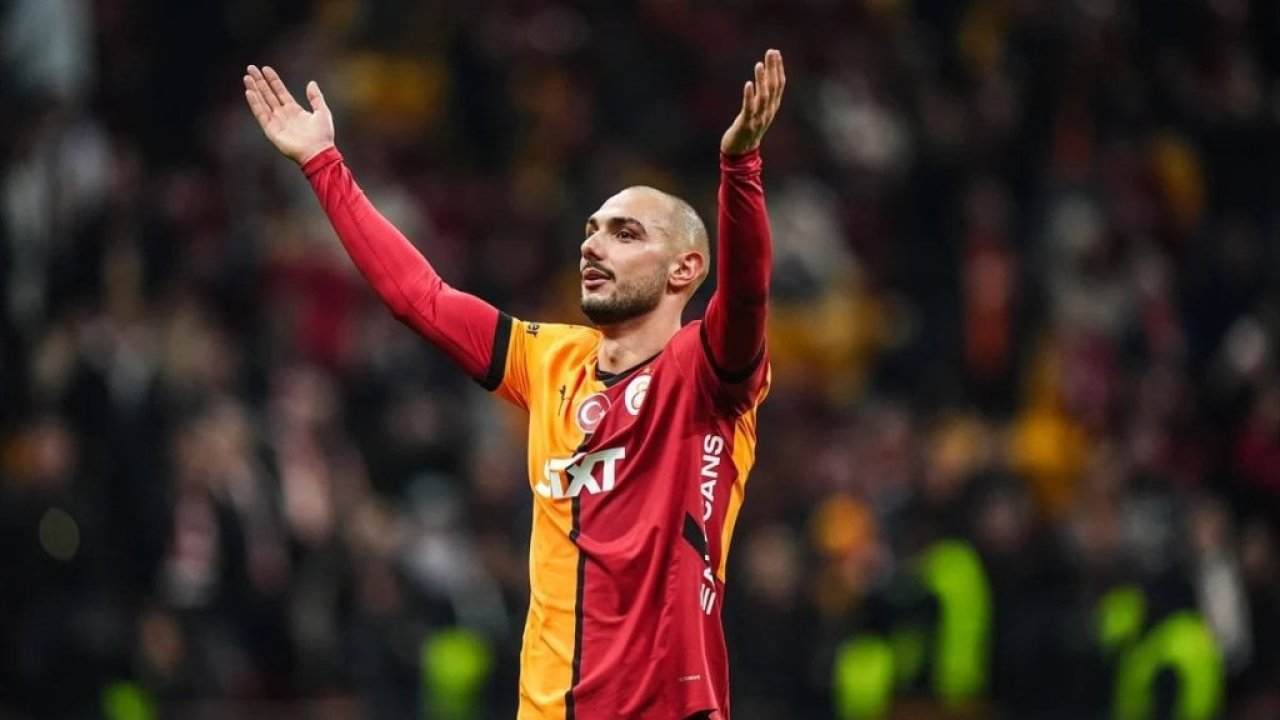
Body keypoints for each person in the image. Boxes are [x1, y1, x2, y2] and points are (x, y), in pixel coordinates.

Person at [243, 47, 785, 720]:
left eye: (625, 234)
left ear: (684, 270)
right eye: (591, 232)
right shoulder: (548, 358)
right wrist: (323, 163)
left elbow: (747, 298)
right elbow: (421, 298)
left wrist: (740, 167)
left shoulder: (705, 375)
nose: (593, 246)